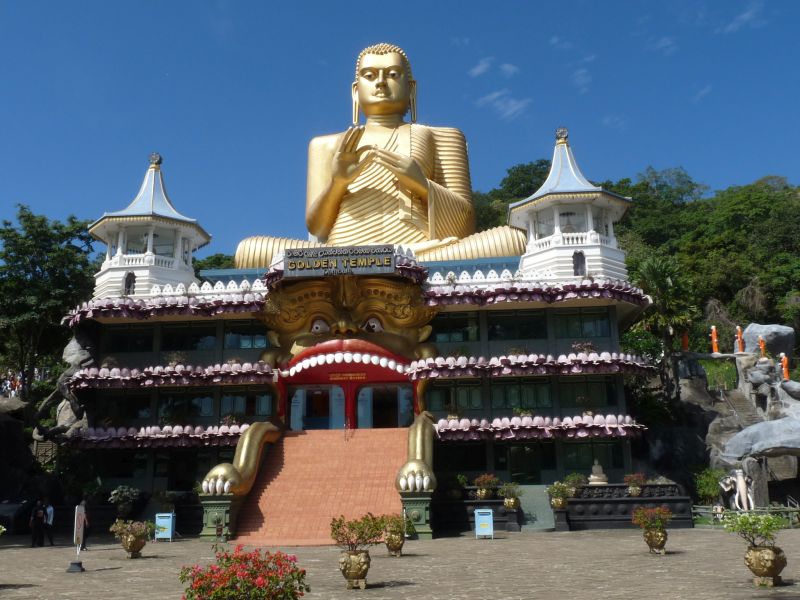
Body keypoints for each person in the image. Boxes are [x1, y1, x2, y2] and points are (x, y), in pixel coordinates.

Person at [234, 43, 525, 269]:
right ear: (355, 91)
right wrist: (337, 182)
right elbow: (317, 227)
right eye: (370, 75)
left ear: (411, 88)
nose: (381, 83)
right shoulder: (325, 144)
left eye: (393, 74)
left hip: (418, 253)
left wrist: (421, 183)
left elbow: (464, 227)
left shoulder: (442, 136)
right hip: (340, 255)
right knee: (250, 249)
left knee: (511, 240)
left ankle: (385, 263)